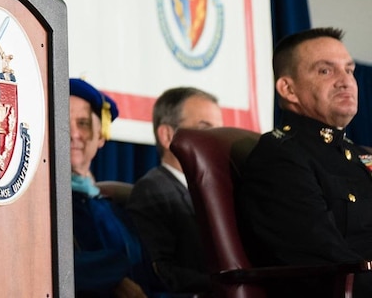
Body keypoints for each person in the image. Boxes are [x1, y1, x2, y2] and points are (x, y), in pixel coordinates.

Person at [238, 26, 372, 297]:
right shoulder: (280, 158)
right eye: (326, 71)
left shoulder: (357, 154)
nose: (345, 81)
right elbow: (325, 265)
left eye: (349, 70)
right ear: (288, 89)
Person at [126, 86, 223, 296]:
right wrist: (224, 284)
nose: (216, 139)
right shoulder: (153, 190)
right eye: (205, 128)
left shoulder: (218, 191)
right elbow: (161, 272)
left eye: (219, 131)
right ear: (168, 135)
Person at [70, 77, 159, 298]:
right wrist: (114, 278)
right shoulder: (40, 207)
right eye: (61, 122)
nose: (73, 134)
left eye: (83, 123)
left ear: (101, 135)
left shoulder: (116, 208)